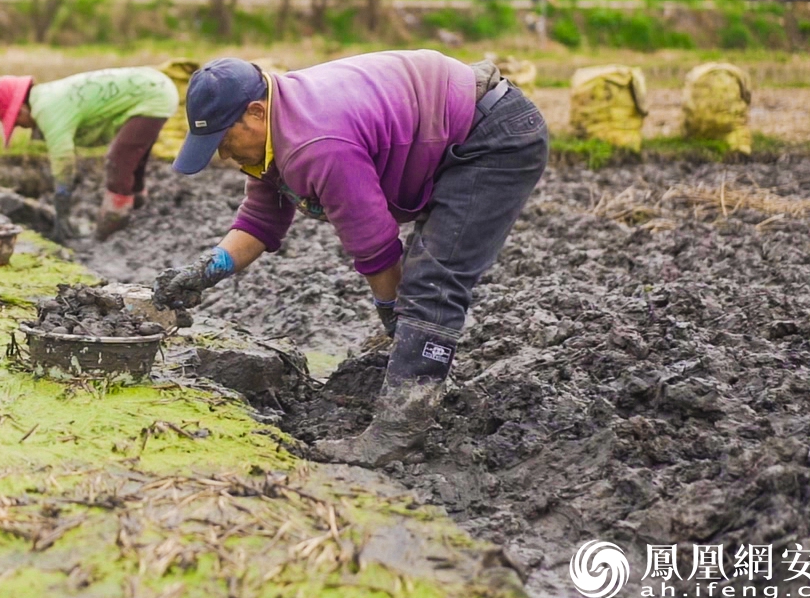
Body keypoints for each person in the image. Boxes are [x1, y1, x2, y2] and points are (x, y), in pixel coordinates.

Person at [151, 52, 548, 466]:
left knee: (431, 284)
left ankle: (398, 431)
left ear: (255, 111)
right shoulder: (278, 120)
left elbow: (374, 244)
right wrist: (205, 272)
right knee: (418, 291)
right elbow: (262, 218)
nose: (225, 157)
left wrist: (393, 312)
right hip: (454, 132)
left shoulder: (315, 142)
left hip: (492, 138)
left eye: (224, 141)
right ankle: (417, 377)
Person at [0, 67, 179, 241]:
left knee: (118, 161)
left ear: (19, 111)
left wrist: (61, 208)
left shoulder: (46, 108)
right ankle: (138, 211)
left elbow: (63, 158)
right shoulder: (49, 95)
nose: (22, 127)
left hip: (152, 95)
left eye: (18, 123)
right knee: (133, 159)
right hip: (156, 86)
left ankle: (110, 228)